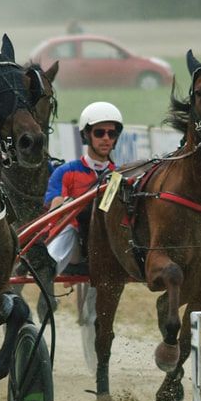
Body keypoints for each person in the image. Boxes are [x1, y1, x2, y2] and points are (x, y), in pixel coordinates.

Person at [43, 101, 122, 275]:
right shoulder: (66, 171)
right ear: (86, 135)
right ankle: (47, 270)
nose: (106, 138)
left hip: (102, 247)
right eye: (99, 133)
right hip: (72, 246)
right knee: (69, 226)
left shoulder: (117, 177)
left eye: (112, 133)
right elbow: (55, 209)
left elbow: (107, 211)